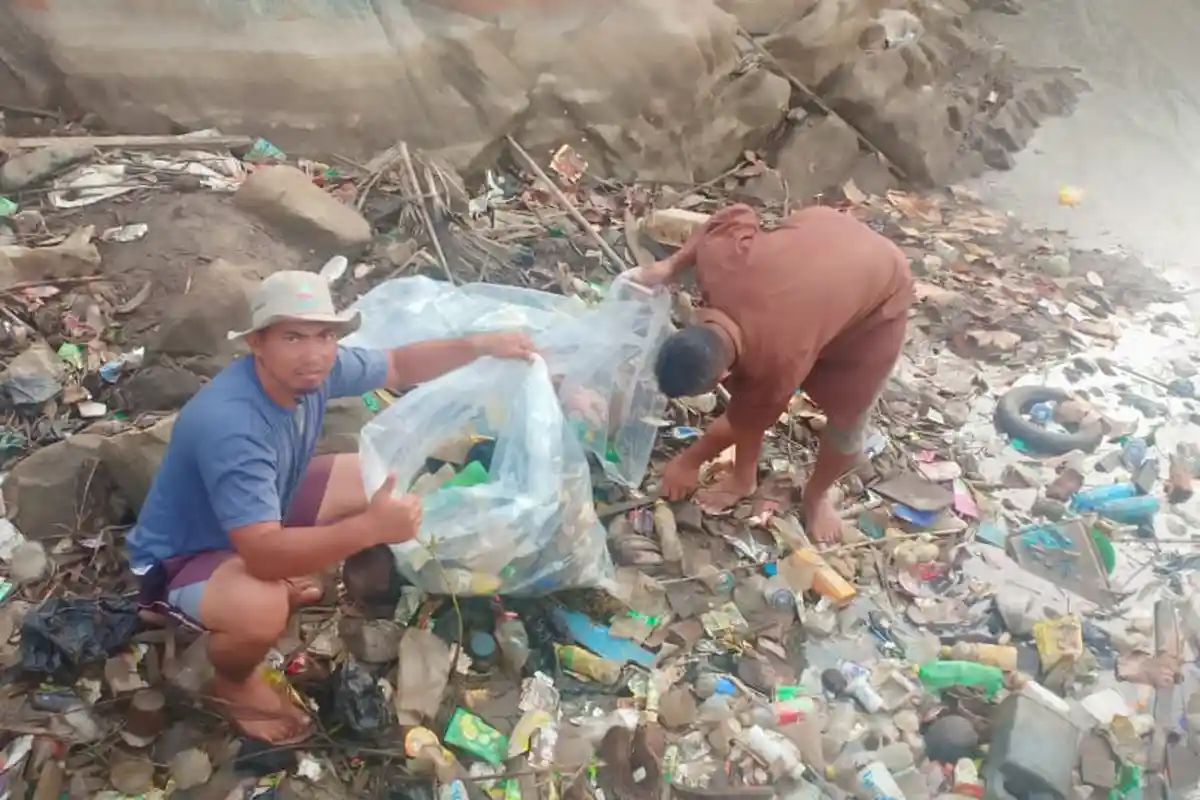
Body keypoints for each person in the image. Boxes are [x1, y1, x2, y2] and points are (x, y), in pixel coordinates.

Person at [129, 270, 536, 744]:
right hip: (181, 558)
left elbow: (399, 364)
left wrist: (481, 345)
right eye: (293, 337)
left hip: (258, 513)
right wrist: (371, 528)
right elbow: (261, 555)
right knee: (262, 608)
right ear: (257, 343)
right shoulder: (233, 426)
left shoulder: (317, 370)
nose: (313, 353)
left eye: (324, 335)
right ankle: (232, 683)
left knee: (368, 474)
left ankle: (290, 572)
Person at [628, 204, 913, 543]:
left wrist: (688, 462)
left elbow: (745, 419)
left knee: (846, 422)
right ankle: (743, 478)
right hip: (827, 230)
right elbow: (733, 213)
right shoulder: (719, 264)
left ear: (721, 377)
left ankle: (816, 496)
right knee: (754, 401)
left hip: (882, 288)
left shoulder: (777, 363)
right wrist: (669, 267)